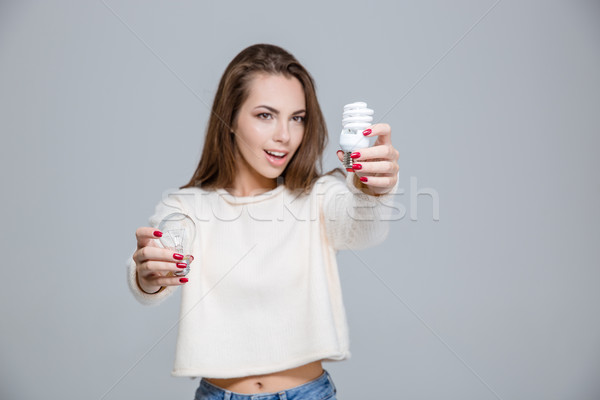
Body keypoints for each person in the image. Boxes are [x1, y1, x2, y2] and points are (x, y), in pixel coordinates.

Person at [126, 43, 400, 400]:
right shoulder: (187, 206)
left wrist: (373, 190)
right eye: (265, 115)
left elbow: (364, 229)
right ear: (230, 118)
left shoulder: (317, 197)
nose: (284, 136)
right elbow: (156, 269)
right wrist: (149, 274)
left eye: (297, 118)